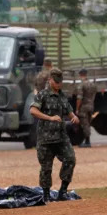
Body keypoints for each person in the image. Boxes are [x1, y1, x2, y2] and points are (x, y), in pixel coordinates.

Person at [29, 69, 79, 203]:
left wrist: (74, 117)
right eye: (56, 82)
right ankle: (46, 195)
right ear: (50, 80)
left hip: (61, 138)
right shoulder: (43, 95)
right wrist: (49, 118)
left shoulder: (63, 96)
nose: (58, 84)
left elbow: (69, 111)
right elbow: (33, 110)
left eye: (60, 82)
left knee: (70, 159)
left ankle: (63, 191)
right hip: (46, 138)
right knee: (46, 167)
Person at [74, 68, 97, 148]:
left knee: (85, 124)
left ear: (80, 75)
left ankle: (87, 142)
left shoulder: (81, 85)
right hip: (91, 106)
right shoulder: (92, 84)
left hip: (84, 107)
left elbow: (79, 98)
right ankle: (86, 141)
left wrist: (77, 108)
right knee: (88, 123)